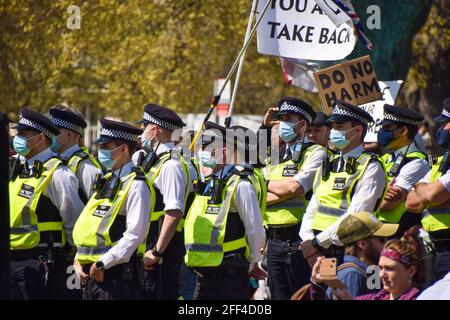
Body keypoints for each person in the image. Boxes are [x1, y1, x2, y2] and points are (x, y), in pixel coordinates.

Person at [184, 121, 266, 300]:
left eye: (208, 148)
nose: (202, 153)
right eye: (202, 147)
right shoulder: (211, 181)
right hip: (204, 267)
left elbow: (255, 227)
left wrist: (254, 260)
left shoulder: (241, 183)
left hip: (229, 270)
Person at [299, 101, 387, 268]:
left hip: (347, 251)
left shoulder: (370, 167)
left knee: (342, 292)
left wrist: (317, 244)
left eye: (339, 127)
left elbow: (356, 216)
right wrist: (308, 241)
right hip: (318, 250)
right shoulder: (328, 162)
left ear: (358, 130)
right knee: (319, 292)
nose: (333, 132)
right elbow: (313, 206)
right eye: (332, 127)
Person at [73, 118, 153, 300]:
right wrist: (78, 259)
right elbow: (89, 224)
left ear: (124, 149)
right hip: (92, 275)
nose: (100, 151)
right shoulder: (107, 180)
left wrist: (102, 264)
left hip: (115, 277)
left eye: (106, 146)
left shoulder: (136, 184)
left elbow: (135, 235)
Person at [9, 108, 84, 300]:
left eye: (23, 135)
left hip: (41, 261)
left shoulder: (59, 174)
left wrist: (75, 257)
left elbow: (74, 220)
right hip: (12, 259)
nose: (17, 139)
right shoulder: (17, 167)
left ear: (40, 138)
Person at [261, 97, 328, 300]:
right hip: (273, 241)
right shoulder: (276, 154)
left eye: (288, 118)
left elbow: (295, 187)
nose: (282, 123)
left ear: (302, 124)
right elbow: (256, 191)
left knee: (303, 295)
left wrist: (264, 187)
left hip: (300, 239)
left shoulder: (316, 152)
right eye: (280, 118)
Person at [133, 103, 195, 300]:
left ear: (156, 130)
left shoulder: (171, 165)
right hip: (147, 243)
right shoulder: (151, 159)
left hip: (161, 247)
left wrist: (157, 252)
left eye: (145, 126)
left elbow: (173, 212)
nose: (141, 131)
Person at [406, 97, 450, 280]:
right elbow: (410, 202)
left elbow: (431, 194)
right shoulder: (440, 162)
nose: (440, 129)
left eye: (446, 124)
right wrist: (426, 190)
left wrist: (424, 191)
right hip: (434, 248)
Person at [308, 212, 398, 300]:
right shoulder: (352, 275)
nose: (387, 245)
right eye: (382, 240)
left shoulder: (371, 270)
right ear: (362, 244)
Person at [376, 104, 429, 237]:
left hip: (397, 233)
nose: (381, 131)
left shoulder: (417, 162)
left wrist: (369, 191)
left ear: (404, 131)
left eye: (387, 127)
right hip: (376, 228)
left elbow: (389, 204)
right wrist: (381, 190)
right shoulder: (385, 158)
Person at [332, 227, 425, 300]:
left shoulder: (423, 297)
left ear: (411, 271)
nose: (381, 275)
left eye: (389, 268)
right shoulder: (375, 296)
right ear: (362, 244)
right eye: (380, 268)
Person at [49, 105, 102, 203]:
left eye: (53, 131)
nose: (48, 134)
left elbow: (95, 207)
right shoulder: (52, 159)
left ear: (68, 135)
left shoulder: (86, 168)